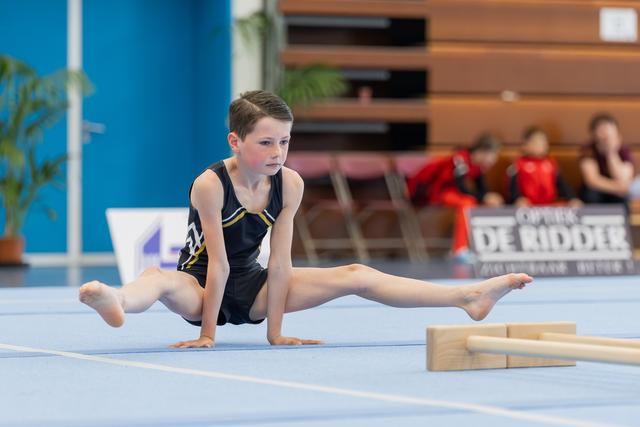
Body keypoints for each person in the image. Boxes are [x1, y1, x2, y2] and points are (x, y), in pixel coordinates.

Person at [79, 91, 532, 349]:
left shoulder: (288, 185)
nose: (278, 154)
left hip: (254, 286)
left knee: (357, 273)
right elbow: (215, 265)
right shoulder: (210, 184)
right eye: (266, 143)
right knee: (159, 278)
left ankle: (467, 297)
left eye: (285, 142)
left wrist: (275, 333)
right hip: (200, 287)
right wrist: (208, 336)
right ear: (235, 141)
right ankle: (115, 299)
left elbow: (280, 263)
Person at [407, 134, 504, 261]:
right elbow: (461, 188)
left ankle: (481, 247)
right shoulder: (460, 158)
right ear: (482, 151)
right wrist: (484, 197)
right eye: (493, 155)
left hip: (454, 193)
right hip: (439, 193)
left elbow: (482, 188)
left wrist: (488, 197)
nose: (493, 160)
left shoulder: (479, 166)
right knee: (467, 203)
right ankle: (459, 249)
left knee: (485, 204)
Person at [506, 126, 582, 207]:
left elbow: (562, 184)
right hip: (528, 206)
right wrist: (518, 199)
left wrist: (572, 198)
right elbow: (512, 187)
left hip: (549, 205)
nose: (541, 145)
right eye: (537, 142)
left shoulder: (551, 164)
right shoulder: (517, 165)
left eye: (544, 142)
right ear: (525, 145)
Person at [579, 113, 634, 209]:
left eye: (609, 129)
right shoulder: (588, 149)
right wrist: (617, 188)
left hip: (616, 190)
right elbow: (592, 180)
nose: (606, 134)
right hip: (597, 190)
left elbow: (622, 178)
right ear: (594, 133)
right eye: (602, 129)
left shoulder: (624, 150)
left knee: (623, 200)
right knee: (591, 195)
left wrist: (611, 152)